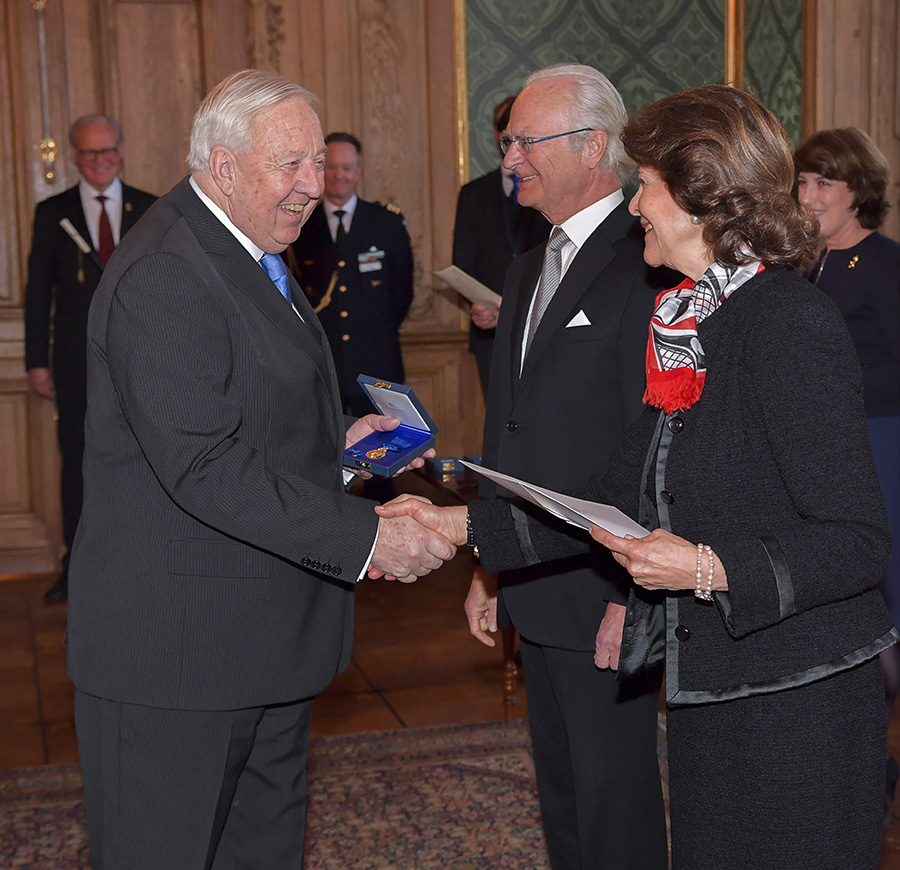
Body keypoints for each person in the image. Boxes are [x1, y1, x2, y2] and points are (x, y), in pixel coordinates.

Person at [378, 85, 898, 869]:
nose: (634, 207)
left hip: (798, 707)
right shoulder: (692, 319)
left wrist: (705, 567)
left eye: (647, 184)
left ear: (699, 198)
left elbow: (857, 541)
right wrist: (459, 528)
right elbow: (615, 498)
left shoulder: (790, 323)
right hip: (714, 694)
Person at [66, 69, 455, 870]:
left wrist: (341, 444)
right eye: (292, 165)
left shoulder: (244, 248)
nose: (313, 187)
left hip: (260, 646)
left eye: (319, 162)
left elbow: (241, 417)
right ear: (223, 165)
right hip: (180, 665)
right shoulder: (168, 270)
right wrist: (367, 541)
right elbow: (204, 466)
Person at [464, 63, 673, 870]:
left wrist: (632, 590)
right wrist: (490, 564)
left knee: (615, 797)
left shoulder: (646, 263)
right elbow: (508, 430)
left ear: (593, 146)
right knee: (561, 792)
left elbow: (649, 443)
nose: (509, 158)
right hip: (531, 579)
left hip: (602, 585)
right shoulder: (525, 265)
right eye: (509, 140)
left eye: (525, 141)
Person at [23, 115, 156, 603]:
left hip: (142, 362)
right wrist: (37, 360)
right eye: (90, 153)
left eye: (109, 152)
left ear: (121, 151)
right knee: (77, 462)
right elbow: (38, 293)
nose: (101, 161)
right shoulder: (51, 212)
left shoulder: (150, 208)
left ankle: (142, 562)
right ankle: (76, 566)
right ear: (76, 157)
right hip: (76, 365)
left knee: (147, 461)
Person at [286, 132, 413, 416]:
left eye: (346, 167)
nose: (338, 175)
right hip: (322, 365)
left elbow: (402, 293)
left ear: (358, 172)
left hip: (377, 365)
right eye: (330, 166)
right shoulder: (300, 225)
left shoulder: (387, 224)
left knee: (383, 450)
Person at [452, 95, 549, 396]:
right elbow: (463, 260)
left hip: (540, 328)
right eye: (505, 129)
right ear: (497, 134)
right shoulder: (473, 193)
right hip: (489, 335)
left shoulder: (549, 188)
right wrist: (481, 306)